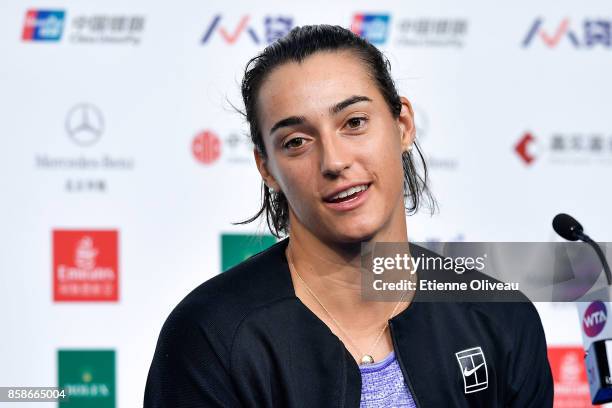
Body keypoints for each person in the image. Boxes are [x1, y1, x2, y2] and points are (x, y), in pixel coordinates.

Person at [144, 25, 553, 407]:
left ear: (403, 125)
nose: (335, 161)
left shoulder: (500, 317)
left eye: (354, 122)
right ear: (266, 167)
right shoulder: (211, 336)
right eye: (296, 141)